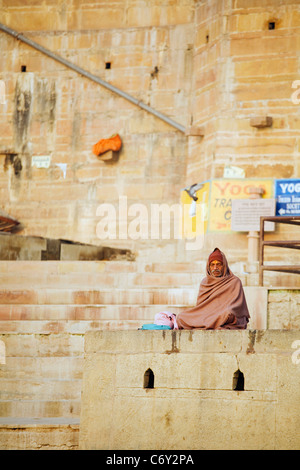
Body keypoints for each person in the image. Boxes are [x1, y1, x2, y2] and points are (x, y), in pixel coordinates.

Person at [176, 247, 250, 330]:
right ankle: (212, 323)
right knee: (181, 317)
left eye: (218, 264)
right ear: (209, 266)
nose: (215, 268)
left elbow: (236, 307)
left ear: (224, 265)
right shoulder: (205, 282)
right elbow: (200, 308)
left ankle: (209, 323)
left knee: (227, 314)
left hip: (224, 315)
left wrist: (223, 312)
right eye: (212, 265)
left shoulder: (235, 281)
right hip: (208, 315)